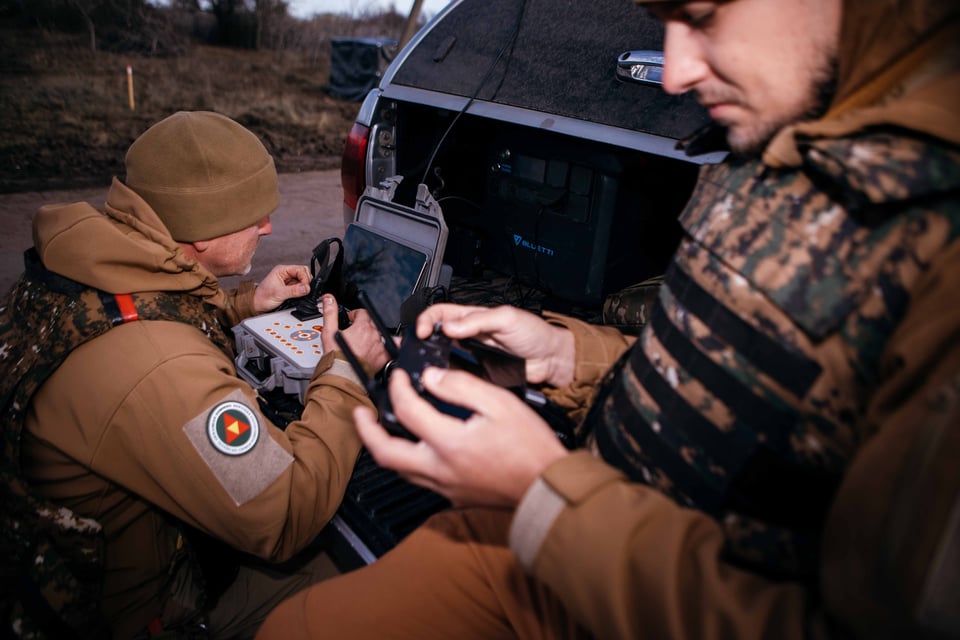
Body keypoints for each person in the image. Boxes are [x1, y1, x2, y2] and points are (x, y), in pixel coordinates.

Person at [256, 0, 960, 638]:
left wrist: (541, 500)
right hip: (570, 546)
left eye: (706, 16)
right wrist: (568, 357)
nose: (673, 73)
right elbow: (715, 363)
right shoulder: (787, 129)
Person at [0, 110, 390, 638]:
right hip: (141, 608)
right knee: (373, 568)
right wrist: (347, 371)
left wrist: (246, 302)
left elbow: (147, 310)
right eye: (255, 215)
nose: (268, 227)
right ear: (203, 233)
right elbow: (287, 513)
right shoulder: (164, 368)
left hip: (103, 546)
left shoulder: (86, 266)